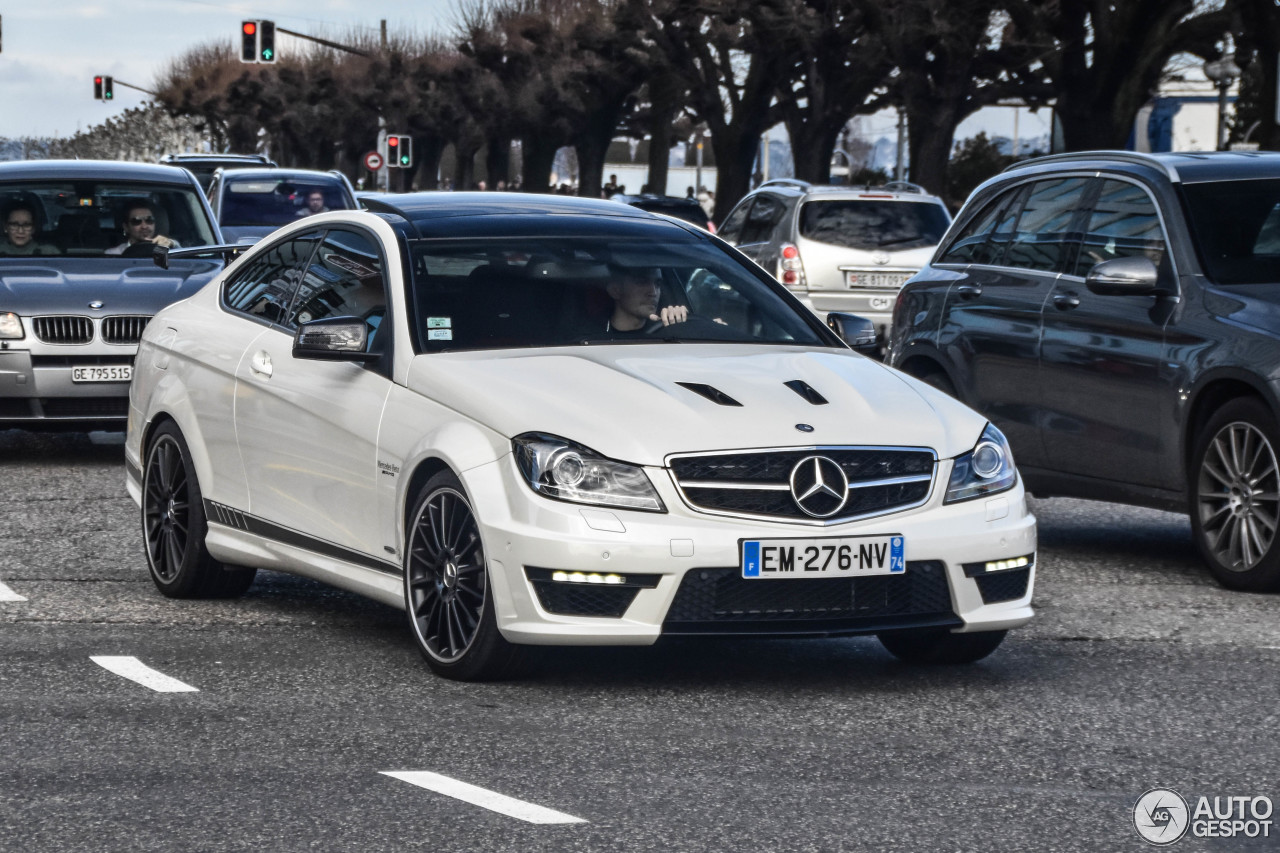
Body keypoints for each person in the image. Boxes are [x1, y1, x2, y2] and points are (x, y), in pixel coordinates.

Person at [602, 266, 688, 335]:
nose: (653, 292)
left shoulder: (666, 333)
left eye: (657, 284)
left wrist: (680, 323)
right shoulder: (594, 337)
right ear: (615, 290)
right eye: (642, 282)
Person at [105, 200, 179, 255]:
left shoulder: (169, 248)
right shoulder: (114, 254)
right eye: (136, 221)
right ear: (126, 227)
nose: (144, 226)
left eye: (149, 220)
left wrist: (172, 243)